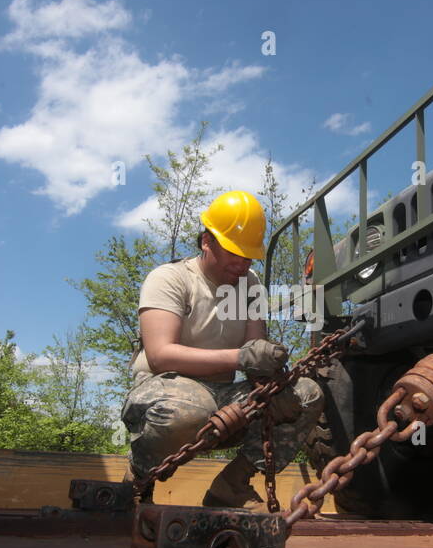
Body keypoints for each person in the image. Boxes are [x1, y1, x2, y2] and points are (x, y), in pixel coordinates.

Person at [121, 189, 324, 511]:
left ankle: (231, 486)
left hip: (222, 395)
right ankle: (137, 480)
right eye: (234, 252)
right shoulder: (170, 279)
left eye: (249, 256)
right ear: (207, 241)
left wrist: (270, 372)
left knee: (305, 393)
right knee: (191, 409)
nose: (242, 263)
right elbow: (161, 355)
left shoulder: (250, 284)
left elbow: (254, 351)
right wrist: (241, 357)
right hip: (162, 389)